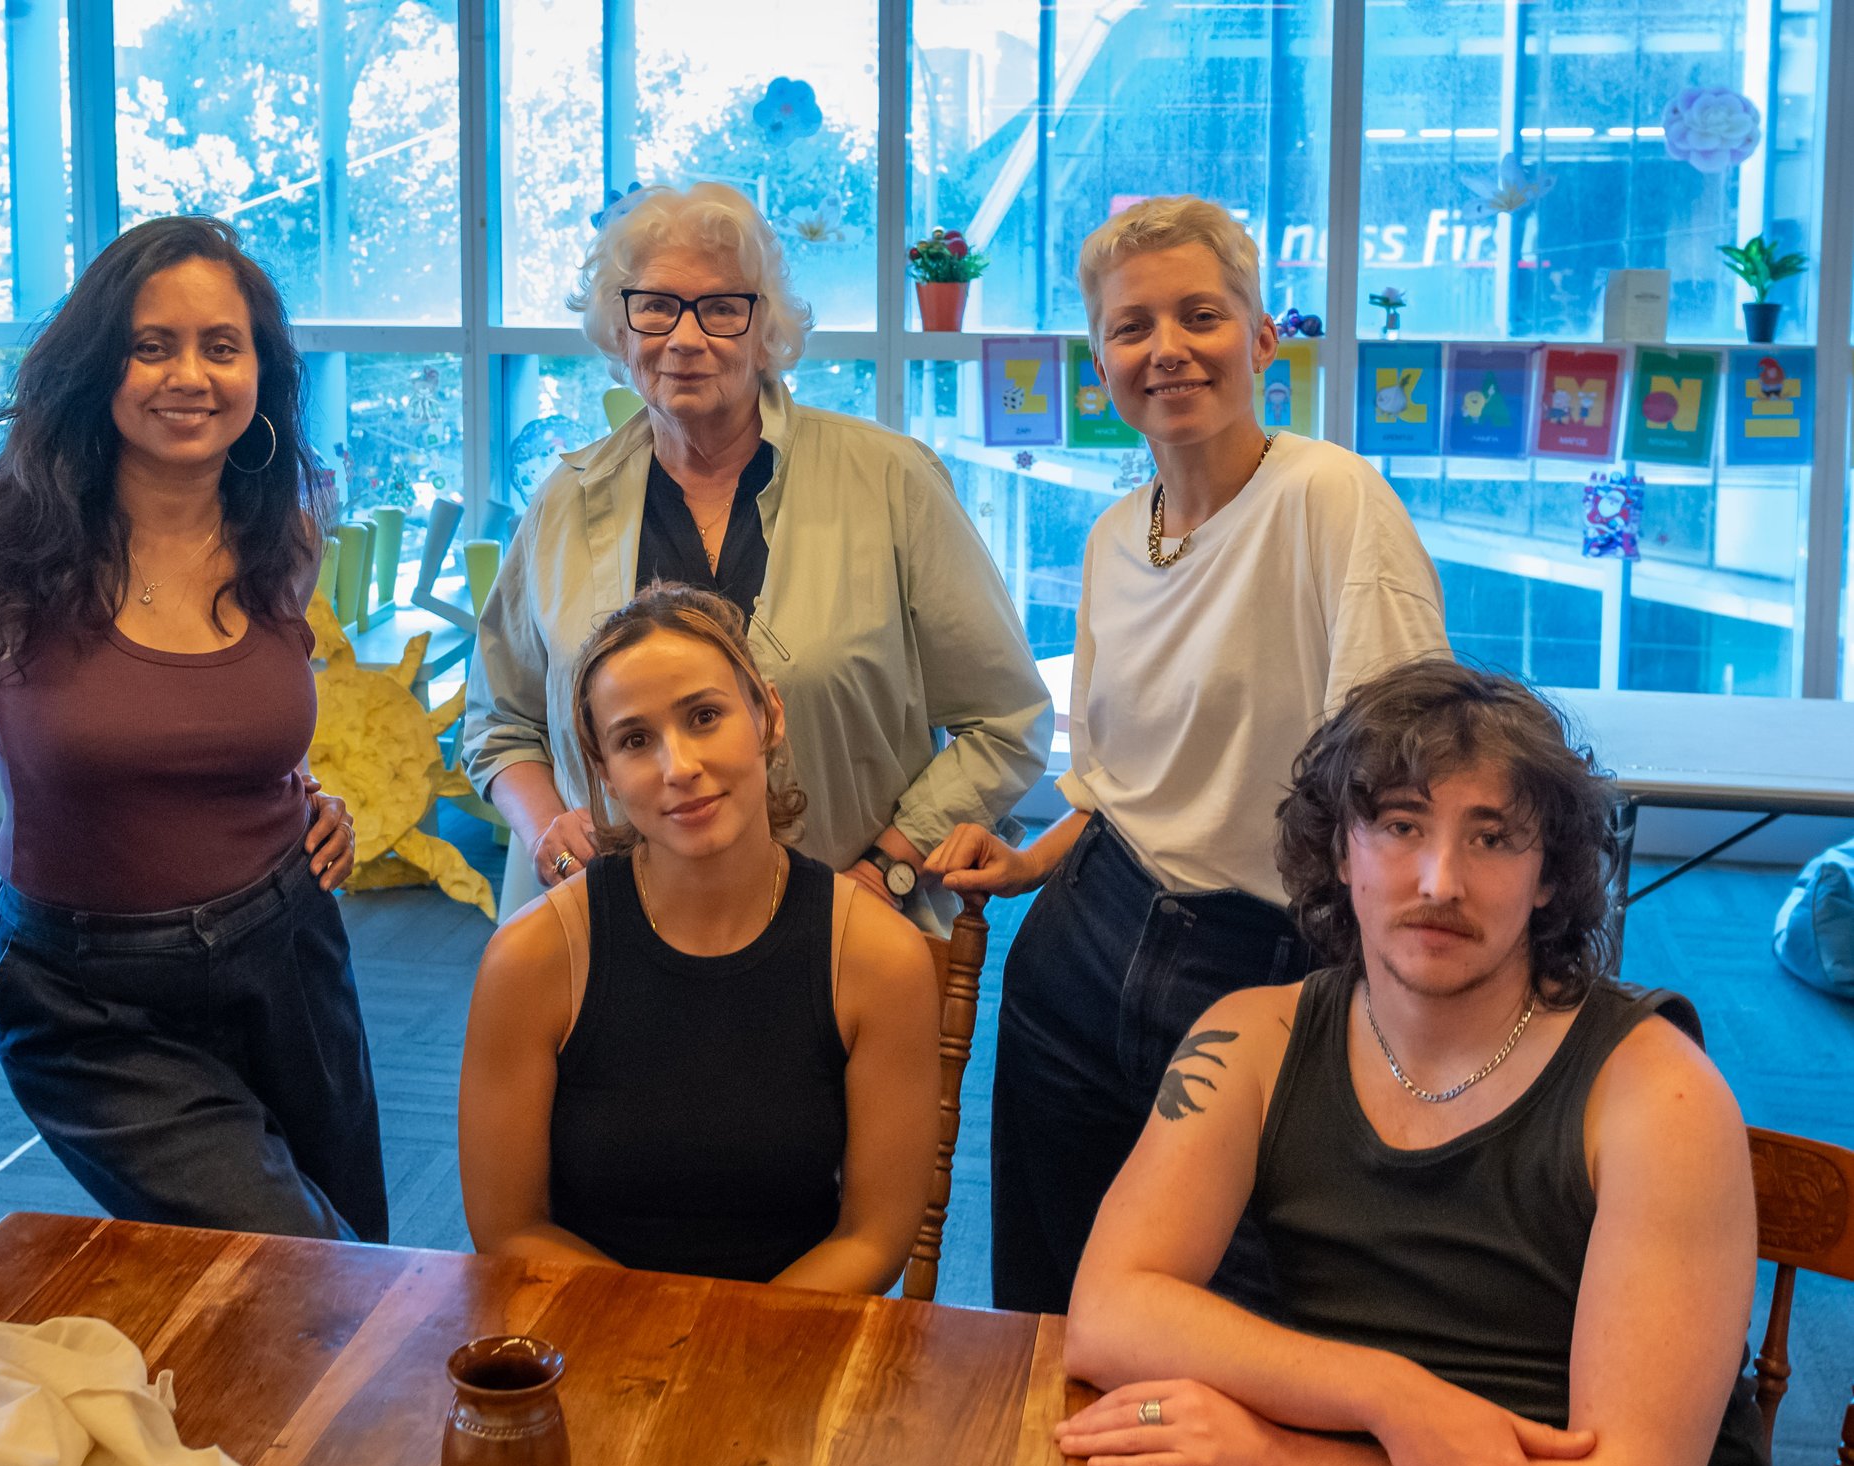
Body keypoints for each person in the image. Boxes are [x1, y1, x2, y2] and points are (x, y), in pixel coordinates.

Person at [1055, 660, 1818, 1466]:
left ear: (1550, 873)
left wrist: (1270, 1456)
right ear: (1341, 849)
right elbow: (1109, 1312)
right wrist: (1394, 1397)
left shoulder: (1655, 1093)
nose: (1438, 880)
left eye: (1492, 836)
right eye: (1400, 823)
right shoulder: (1251, 1040)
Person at [925, 195, 1450, 1316]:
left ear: (1262, 339)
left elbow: (1406, 780)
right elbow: (1124, 783)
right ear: (1101, 361)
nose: (1165, 348)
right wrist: (1033, 860)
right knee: (1047, 1293)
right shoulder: (1117, 535)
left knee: (1230, 1314)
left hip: (1264, 958)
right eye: (1131, 327)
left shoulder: (1331, 499)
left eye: (1200, 315)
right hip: (1084, 937)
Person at [0, 215, 380, 1242]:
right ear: (97, 364)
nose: (187, 375)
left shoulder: (282, 527)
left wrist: (307, 796)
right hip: (86, 996)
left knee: (362, 1275)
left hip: (285, 951)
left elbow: (233, 718)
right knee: (294, 1256)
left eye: (219, 346)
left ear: (260, 372)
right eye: (151, 345)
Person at [463, 182, 1051, 934]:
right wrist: (547, 825)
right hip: (611, 944)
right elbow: (497, 721)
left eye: (719, 308)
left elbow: (1007, 720)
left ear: (766, 327)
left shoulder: (891, 481)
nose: (683, 337)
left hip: (842, 938)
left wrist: (891, 866)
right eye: (655, 306)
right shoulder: (563, 503)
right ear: (619, 325)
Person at [457, 584, 939, 1292]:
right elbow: (510, 1229)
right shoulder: (533, 959)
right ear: (605, 773)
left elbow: (874, 1235)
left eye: (705, 716)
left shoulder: (877, 958)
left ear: (767, 715)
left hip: (790, 1340)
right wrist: (667, 1345)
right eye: (634, 740)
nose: (678, 766)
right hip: (588, 1333)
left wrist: (721, 1356)